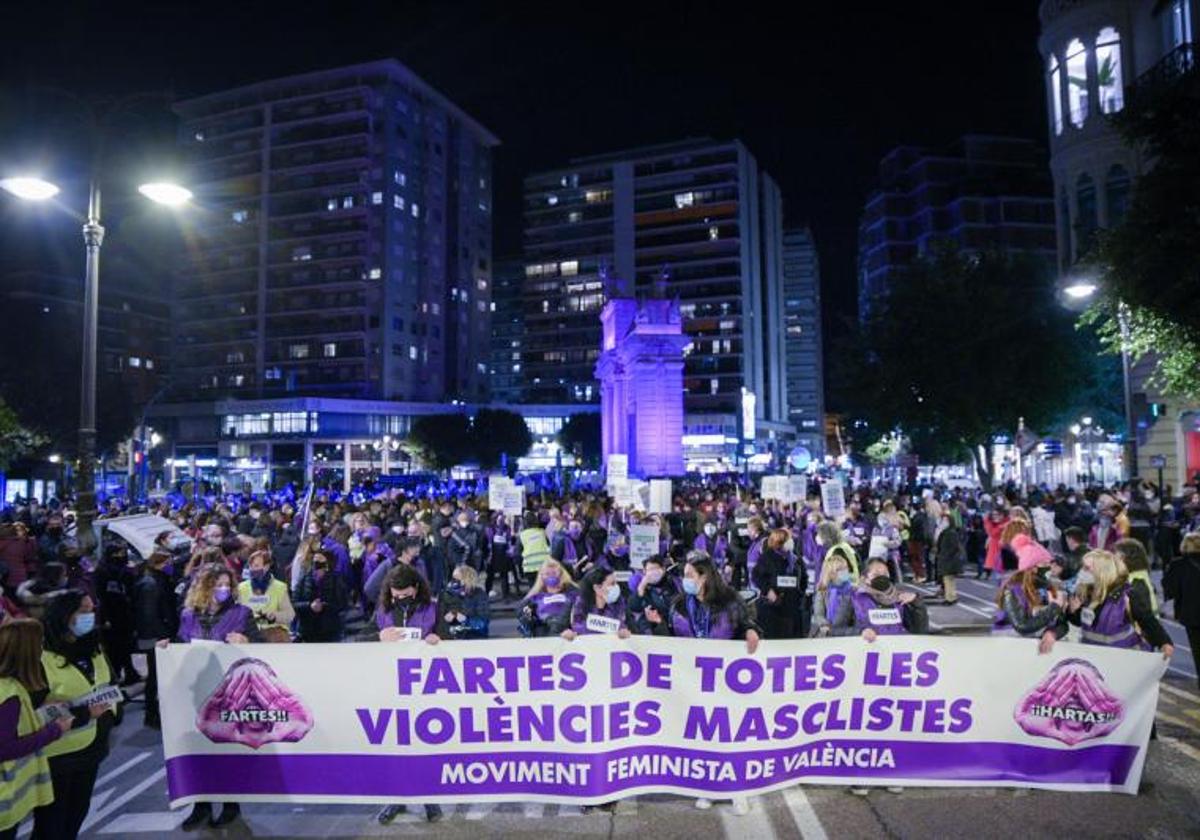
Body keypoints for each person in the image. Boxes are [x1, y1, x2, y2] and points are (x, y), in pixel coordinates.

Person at [653, 554, 758, 815]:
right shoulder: (678, 605)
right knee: (702, 736)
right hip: (693, 681)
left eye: (690, 575)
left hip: (726, 680)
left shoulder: (730, 601)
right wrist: (657, 627)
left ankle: (738, 791)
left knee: (730, 735)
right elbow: (669, 641)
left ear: (704, 577)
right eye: (684, 575)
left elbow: (745, 624)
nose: (685, 580)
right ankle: (708, 787)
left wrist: (751, 631)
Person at [171, 566, 259, 829]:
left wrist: (246, 640)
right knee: (199, 752)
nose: (224, 590)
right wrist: (168, 650)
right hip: (197, 693)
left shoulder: (241, 612)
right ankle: (201, 806)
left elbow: (260, 643)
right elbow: (180, 647)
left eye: (226, 585)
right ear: (204, 587)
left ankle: (231, 805)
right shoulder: (188, 615)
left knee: (227, 750)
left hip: (230, 693)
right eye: (218, 585)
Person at [32, 591, 118, 840]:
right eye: (83, 610)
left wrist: (112, 712)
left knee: (74, 818)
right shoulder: (41, 658)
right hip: (57, 757)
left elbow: (109, 684)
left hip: (91, 751)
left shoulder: (94, 647)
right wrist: (82, 713)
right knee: (51, 827)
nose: (89, 616)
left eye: (92, 609)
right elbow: (33, 713)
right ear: (64, 615)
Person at [367, 564, 444, 825]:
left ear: (417, 588)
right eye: (395, 595)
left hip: (425, 687)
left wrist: (438, 639)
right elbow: (360, 640)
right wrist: (378, 636)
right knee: (395, 746)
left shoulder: (432, 608)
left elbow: (449, 642)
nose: (400, 599)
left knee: (424, 745)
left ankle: (430, 798)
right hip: (391, 686)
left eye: (405, 594)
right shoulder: (383, 610)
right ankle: (395, 798)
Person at [0, 619, 67, 840]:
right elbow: (5, 747)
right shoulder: (9, 694)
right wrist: (54, 731)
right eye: (39, 645)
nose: (42, 650)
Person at [1064, 549, 1173, 658]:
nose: (1082, 571)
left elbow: (1147, 620)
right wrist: (1073, 612)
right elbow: (1085, 624)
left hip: (1124, 659)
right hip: (1095, 658)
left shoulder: (1127, 595)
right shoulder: (1084, 593)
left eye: (1087, 568)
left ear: (1101, 571)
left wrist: (1164, 642)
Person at [991, 535, 1066, 653]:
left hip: (1037, 648)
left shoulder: (1050, 588)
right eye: (1045, 564)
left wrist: (1053, 633)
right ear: (1033, 568)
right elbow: (1021, 626)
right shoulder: (1013, 589)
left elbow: (1062, 623)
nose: (1049, 567)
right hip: (1010, 648)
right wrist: (1054, 608)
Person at [133, 551, 179, 729]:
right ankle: (152, 714)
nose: (171, 565)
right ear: (158, 563)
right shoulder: (150, 584)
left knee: (158, 675)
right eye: (168, 562)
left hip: (160, 634)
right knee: (155, 676)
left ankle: (156, 712)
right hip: (155, 637)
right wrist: (163, 635)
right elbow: (148, 614)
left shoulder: (158, 580)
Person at [830, 558, 928, 638]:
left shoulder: (900, 598)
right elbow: (835, 630)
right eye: (876, 575)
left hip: (898, 656)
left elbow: (920, 630)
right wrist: (860, 632)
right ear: (865, 579)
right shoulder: (853, 598)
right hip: (866, 656)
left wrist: (916, 603)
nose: (882, 577)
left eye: (885, 574)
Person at [752, 529, 804, 639]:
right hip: (773, 607)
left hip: (792, 606)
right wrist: (768, 590)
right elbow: (756, 577)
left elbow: (803, 578)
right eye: (787, 540)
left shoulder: (795, 559)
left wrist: (800, 593)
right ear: (778, 542)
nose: (791, 542)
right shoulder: (766, 558)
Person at [1163, 533, 1200, 687]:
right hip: (1191, 613)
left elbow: (1170, 589)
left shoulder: (1178, 564)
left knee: (1197, 649)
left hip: (1191, 614)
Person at [237, 550, 295, 643]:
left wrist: (275, 616)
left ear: (266, 567)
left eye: (256, 566)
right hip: (250, 632)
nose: (252, 569)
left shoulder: (279, 587)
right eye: (251, 566)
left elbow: (290, 615)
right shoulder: (241, 587)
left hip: (273, 632)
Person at [293, 551, 349, 643]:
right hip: (308, 631)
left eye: (320, 563)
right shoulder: (304, 579)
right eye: (315, 562)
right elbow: (294, 603)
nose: (317, 567)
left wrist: (324, 606)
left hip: (330, 631)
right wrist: (309, 606)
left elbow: (343, 603)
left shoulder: (336, 580)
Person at [563, 566, 631, 640]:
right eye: (612, 584)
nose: (616, 587)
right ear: (597, 588)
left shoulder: (620, 602)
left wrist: (624, 632)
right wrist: (568, 634)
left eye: (616, 583)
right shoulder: (578, 604)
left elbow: (631, 629)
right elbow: (563, 629)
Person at [517, 560, 578, 638]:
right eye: (547, 574)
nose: (551, 577)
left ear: (561, 574)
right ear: (542, 576)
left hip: (567, 628)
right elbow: (521, 612)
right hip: (544, 631)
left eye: (554, 573)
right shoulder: (535, 596)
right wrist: (528, 615)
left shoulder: (572, 593)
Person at [628, 556, 681, 635]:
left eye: (655, 569)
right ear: (644, 572)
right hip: (656, 631)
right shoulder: (643, 589)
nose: (652, 573)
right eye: (649, 570)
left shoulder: (674, 584)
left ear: (663, 569)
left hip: (677, 629)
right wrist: (642, 587)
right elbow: (634, 607)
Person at [438, 565, 490, 639]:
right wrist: (444, 620)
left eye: (456, 579)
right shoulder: (446, 595)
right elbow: (437, 623)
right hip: (451, 639)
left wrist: (465, 620)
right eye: (452, 579)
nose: (453, 582)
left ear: (466, 580)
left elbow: (483, 624)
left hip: (474, 639)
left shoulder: (479, 595)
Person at [811, 553, 854, 637]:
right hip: (824, 633)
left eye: (845, 568)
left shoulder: (852, 591)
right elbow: (818, 613)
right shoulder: (822, 589)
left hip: (845, 634)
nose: (845, 571)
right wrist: (825, 625)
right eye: (839, 569)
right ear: (831, 573)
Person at [1114, 538, 1158, 614]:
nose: (1114, 561)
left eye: (1117, 558)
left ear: (1126, 559)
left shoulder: (1137, 582)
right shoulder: (1135, 577)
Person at [932, 505, 965, 605]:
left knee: (948, 580)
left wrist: (945, 556)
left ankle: (950, 598)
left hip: (949, 560)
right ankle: (950, 597)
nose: (944, 522)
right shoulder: (947, 532)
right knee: (948, 580)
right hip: (947, 559)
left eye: (946, 520)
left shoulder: (950, 533)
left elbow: (953, 547)